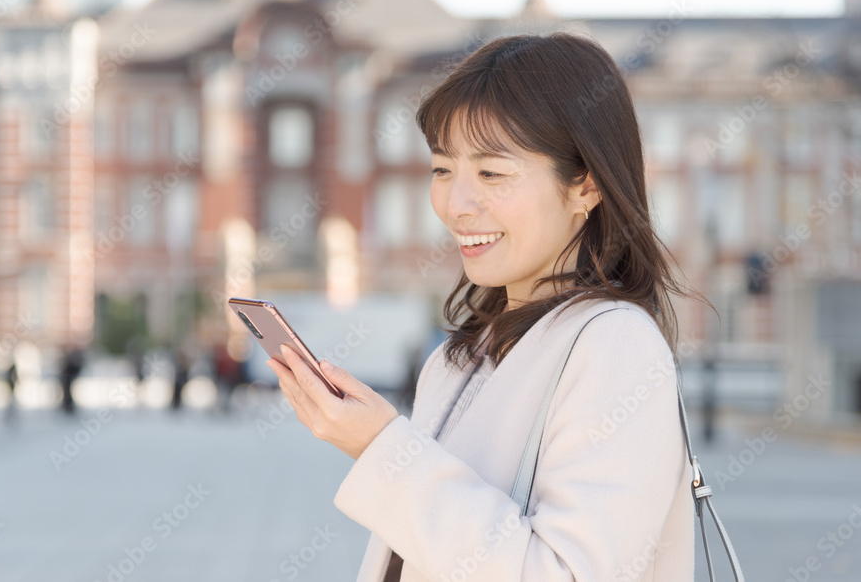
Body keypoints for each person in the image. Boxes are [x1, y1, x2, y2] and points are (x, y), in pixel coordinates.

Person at [266, 33, 712, 581]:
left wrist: (384, 449)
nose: (456, 205)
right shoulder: (463, 355)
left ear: (586, 186)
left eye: (492, 173)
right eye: (442, 169)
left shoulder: (615, 347)